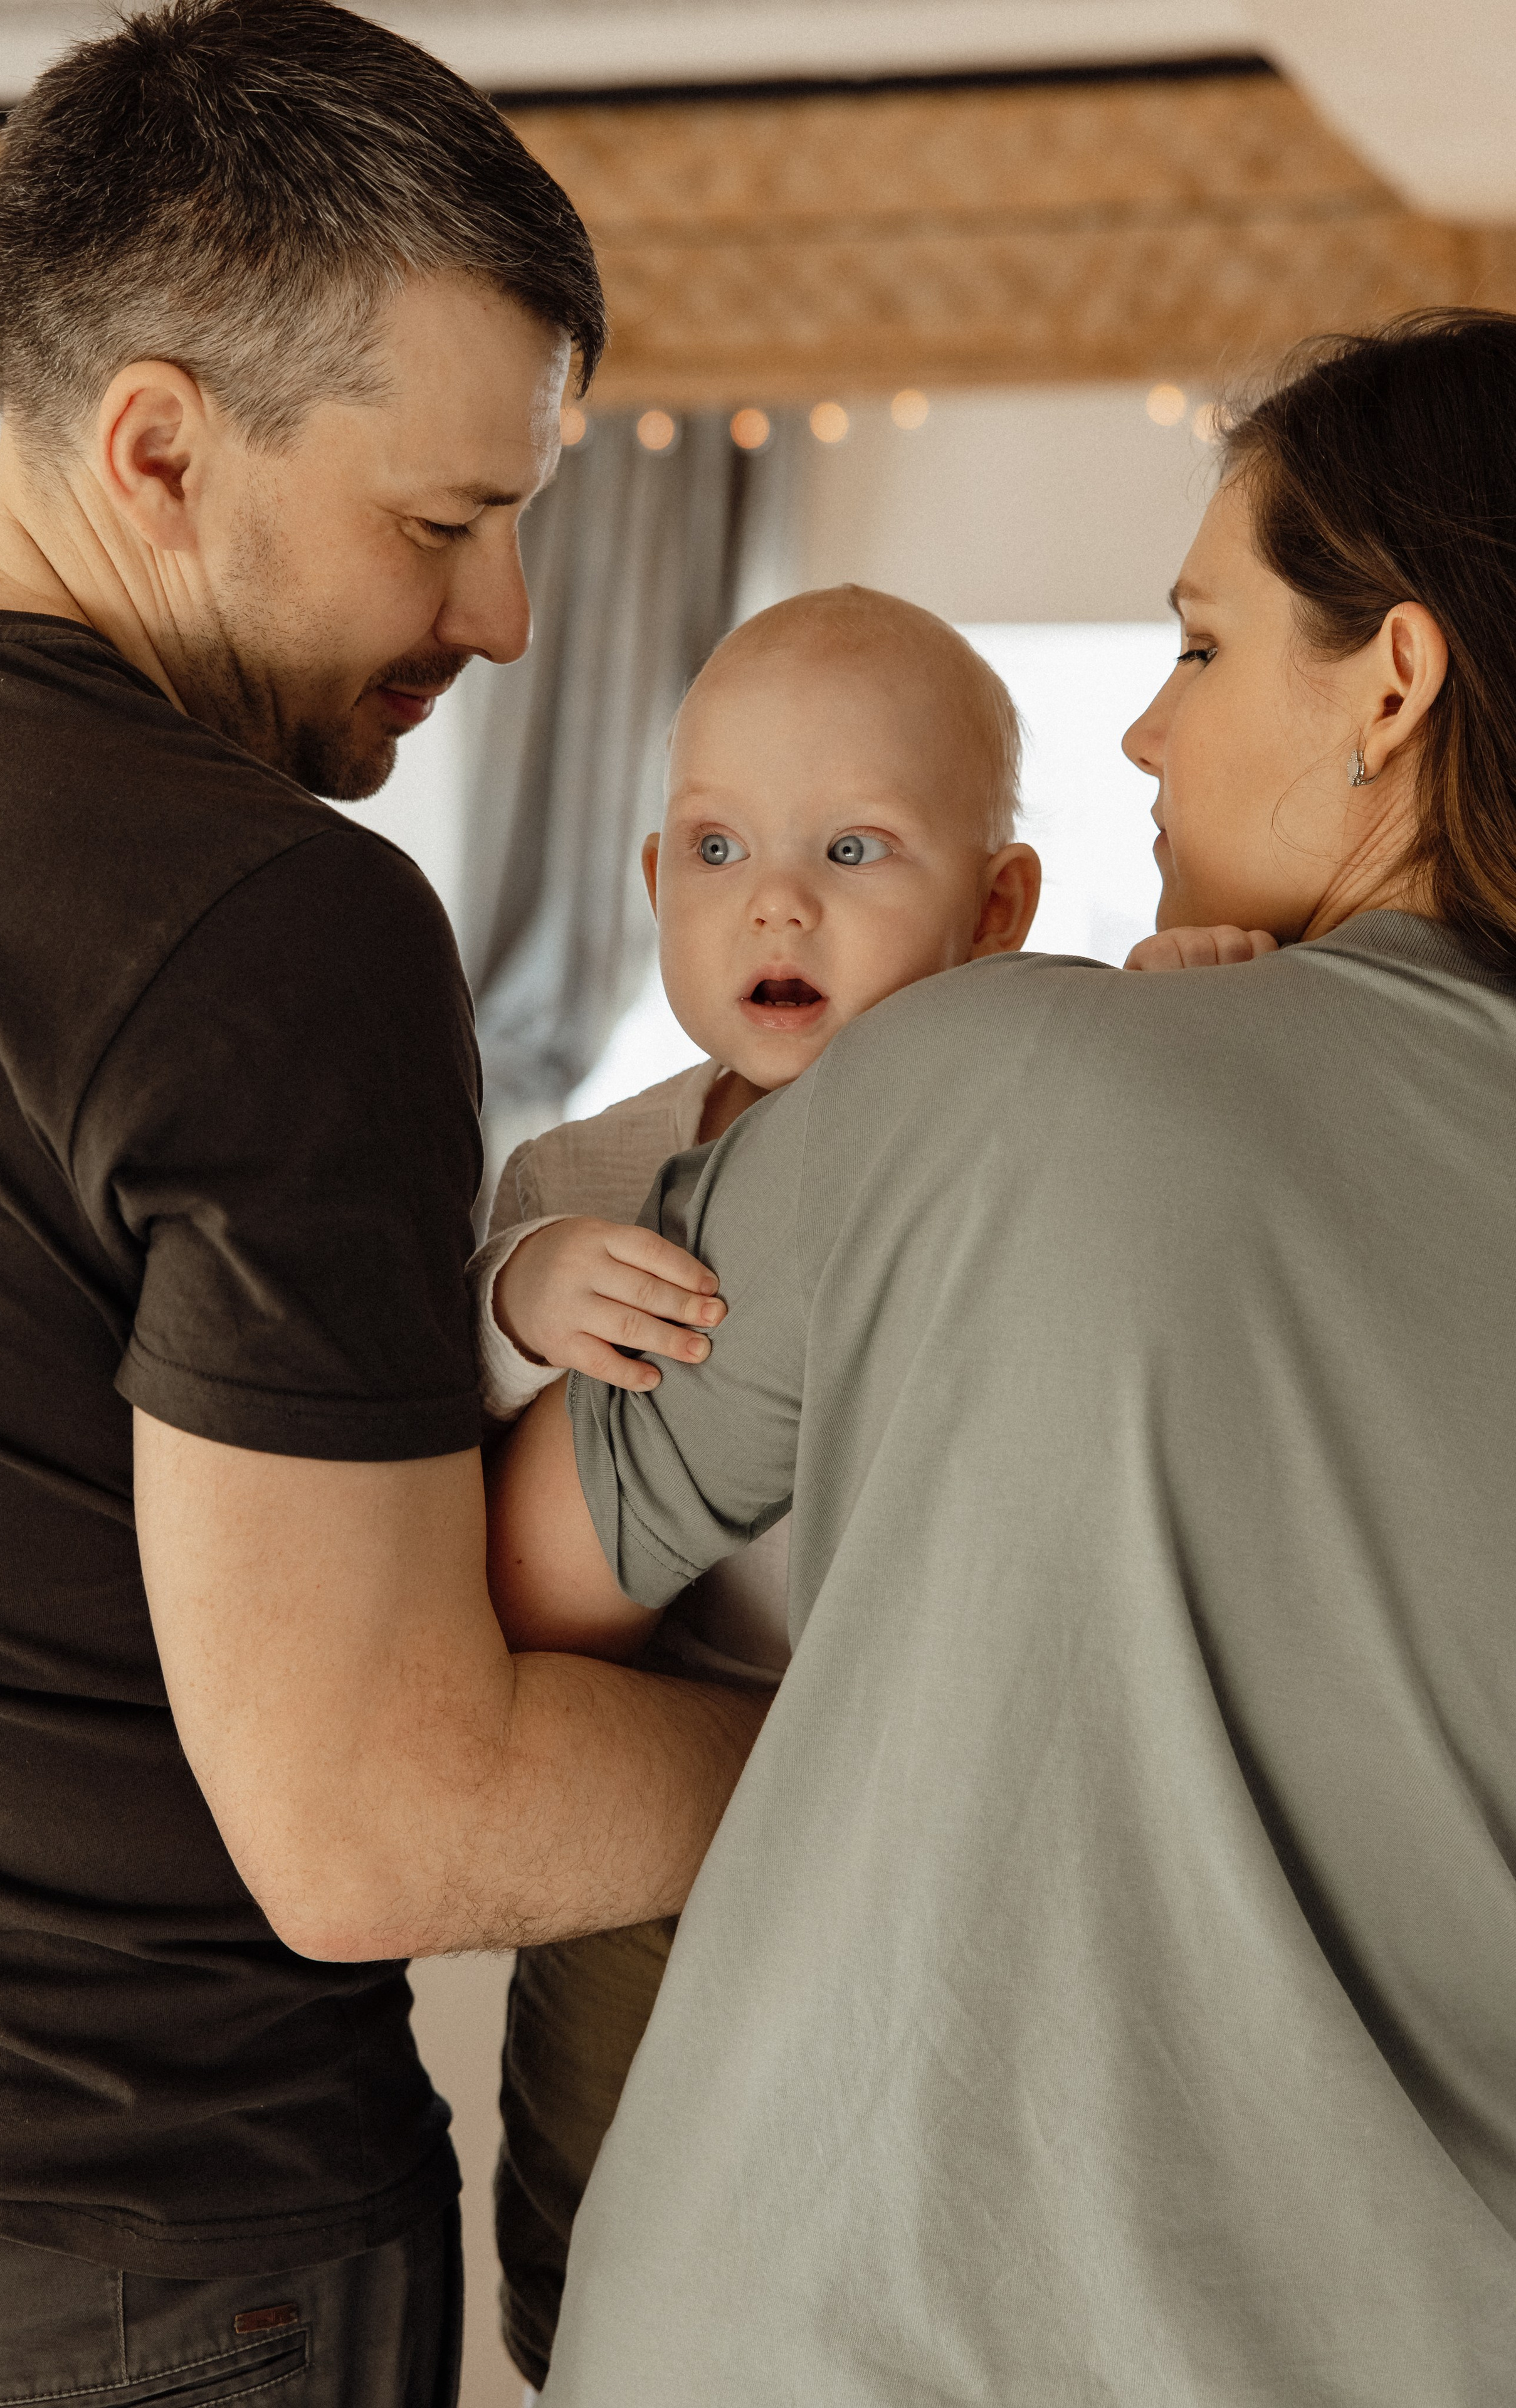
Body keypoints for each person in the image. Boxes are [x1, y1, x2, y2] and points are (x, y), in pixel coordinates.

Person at [488, 309, 1516, 2403]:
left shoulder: (983, 1079)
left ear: (1392, 684)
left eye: (1205, 648)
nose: (1146, 734)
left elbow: (500, 1591)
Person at [0, 4, 764, 2397]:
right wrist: (957, 1732)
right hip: (157, 2256)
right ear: (160, 445)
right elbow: (386, 1822)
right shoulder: (271, 916)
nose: (502, 626)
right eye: (444, 528)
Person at [473, 584, 1040, 2386]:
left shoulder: (1030, 1119)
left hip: (928, 1797)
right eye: (717, 848)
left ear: (1000, 910)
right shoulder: (592, 1165)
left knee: (905, 2188)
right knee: (594, 2144)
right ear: (649, 884)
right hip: (651, 1807)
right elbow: (431, 1391)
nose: (773, 904)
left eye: (853, 849)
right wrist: (521, 1285)